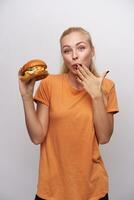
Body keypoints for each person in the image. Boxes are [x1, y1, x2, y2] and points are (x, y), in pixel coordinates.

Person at [18, 27, 119, 200]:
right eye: (67, 50)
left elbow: (104, 137)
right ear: (63, 56)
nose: (74, 55)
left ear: (92, 51)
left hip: (92, 190)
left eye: (81, 48)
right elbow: (37, 137)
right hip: (51, 190)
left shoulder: (107, 86)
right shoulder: (49, 84)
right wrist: (27, 97)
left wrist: (96, 95)